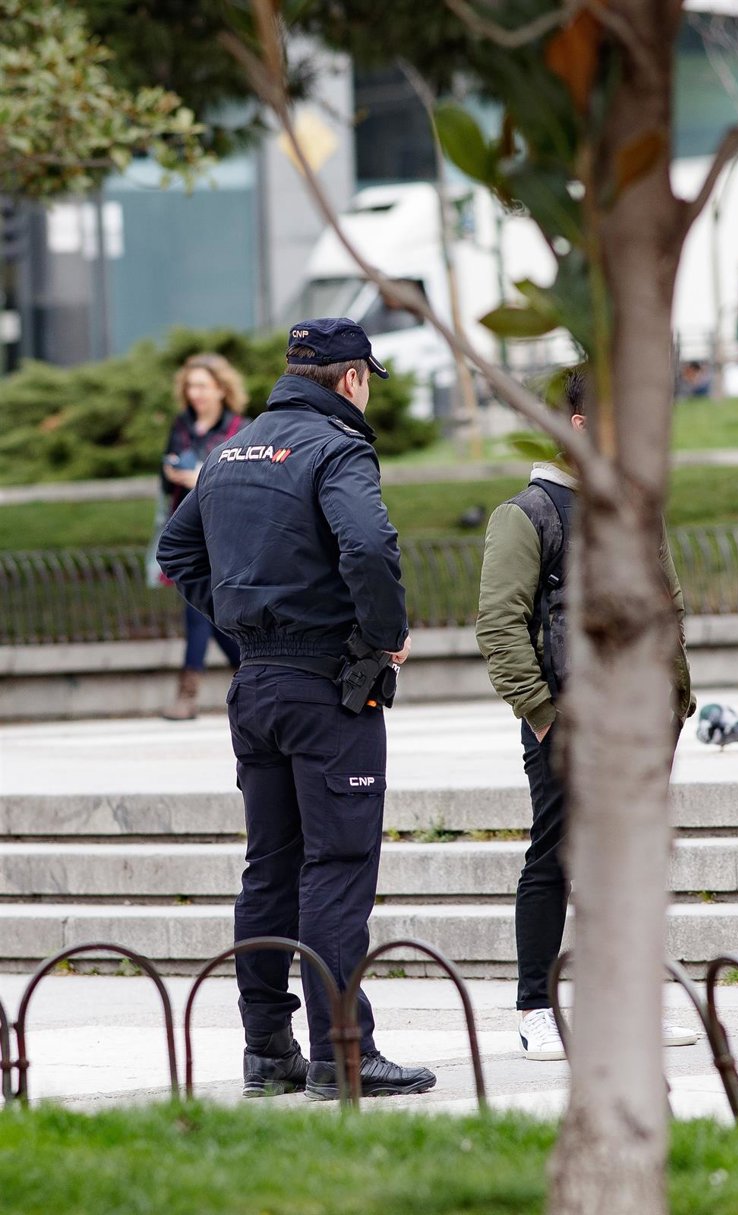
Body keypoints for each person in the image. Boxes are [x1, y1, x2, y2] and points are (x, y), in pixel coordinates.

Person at [157, 318, 436, 1101]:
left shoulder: (230, 451)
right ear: (352, 378)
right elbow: (369, 547)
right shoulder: (337, 448)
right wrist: (382, 638)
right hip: (326, 686)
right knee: (336, 868)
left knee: (269, 868)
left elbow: (176, 551)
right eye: (367, 379)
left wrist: (243, 621)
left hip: (255, 686)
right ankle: (343, 1055)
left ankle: (267, 1050)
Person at [475, 367, 699, 1061]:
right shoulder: (527, 513)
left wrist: (675, 699)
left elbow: (667, 604)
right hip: (567, 718)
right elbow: (499, 625)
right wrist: (542, 714)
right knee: (555, 856)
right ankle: (535, 1006)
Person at [159, 354, 246, 721]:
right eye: (191, 386)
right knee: (204, 610)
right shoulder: (181, 426)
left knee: (201, 608)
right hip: (189, 531)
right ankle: (251, 674)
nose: (195, 393)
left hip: (225, 531)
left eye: (203, 386)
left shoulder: (240, 428)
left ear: (222, 390)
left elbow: (246, 481)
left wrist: (202, 478)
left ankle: (189, 694)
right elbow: (165, 484)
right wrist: (172, 473)